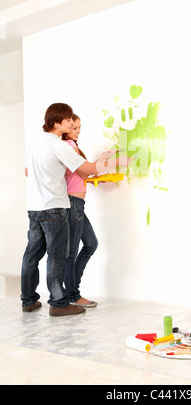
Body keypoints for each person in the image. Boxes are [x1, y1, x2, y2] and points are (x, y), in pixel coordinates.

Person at [22, 103, 130, 316]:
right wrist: (118, 162)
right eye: (69, 121)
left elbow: (28, 171)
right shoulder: (59, 145)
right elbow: (86, 170)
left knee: (32, 255)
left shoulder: (37, 143)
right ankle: (59, 304)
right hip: (54, 207)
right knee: (57, 256)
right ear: (56, 123)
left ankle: (28, 300)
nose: (72, 123)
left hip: (35, 207)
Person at [62, 114, 98, 308]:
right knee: (71, 252)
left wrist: (93, 176)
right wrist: (102, 163)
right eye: (74, 128)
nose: (78, 131)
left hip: (78, 204)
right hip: (73, 203)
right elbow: (82, 172)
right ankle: (73, 295)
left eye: (79, 127)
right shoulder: (67, 147)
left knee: (91, 244)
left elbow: (78, 175)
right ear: (65, 128)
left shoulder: (73, 147)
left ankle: (70, 290)